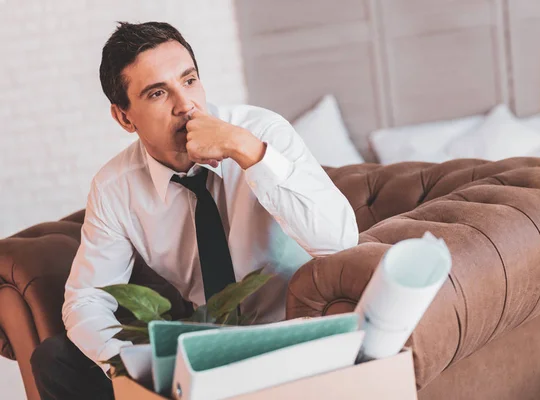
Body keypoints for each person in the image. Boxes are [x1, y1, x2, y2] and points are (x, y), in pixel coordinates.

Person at [29, 21, 358, 400]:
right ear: (124, 117)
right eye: (157, 93)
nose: (185, 105)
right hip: (201, 349)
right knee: (55, 358)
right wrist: (134, 369)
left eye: (189, 81)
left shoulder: (263, 132)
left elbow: (340, 242)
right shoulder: (115, 187)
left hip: (287, 335)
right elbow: (86, 299)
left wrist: (248, 153)